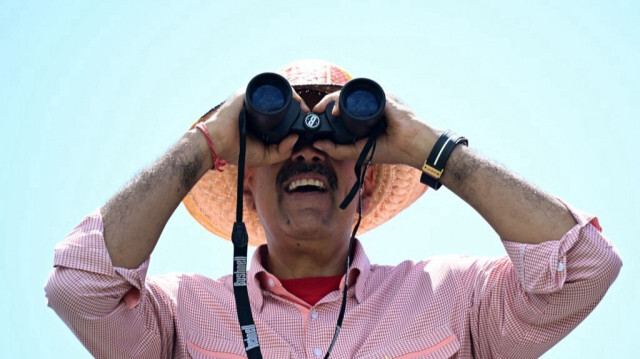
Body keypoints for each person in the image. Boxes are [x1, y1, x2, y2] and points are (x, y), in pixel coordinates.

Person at [45, 59, 622, 358]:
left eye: (335, 140)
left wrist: (428, 147)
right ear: (246, 188)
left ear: (366, 186)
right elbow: (78, 287)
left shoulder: (453, 300)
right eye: (282, 139)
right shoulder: (180, 315)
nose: (309, 152)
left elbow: (585, 268)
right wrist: (206, 145)